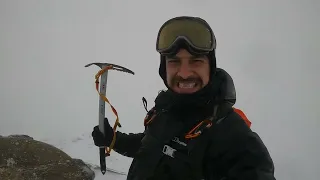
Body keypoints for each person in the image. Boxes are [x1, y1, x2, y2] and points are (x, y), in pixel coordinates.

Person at [91, 16, 276, 180]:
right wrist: (114, 139)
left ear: (210, 67)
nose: (185, 73)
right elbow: (150, 145)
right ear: (164, 69)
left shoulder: (234, 138)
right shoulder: (166, 109)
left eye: (196, 60)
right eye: (174, 61)